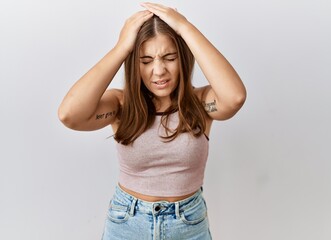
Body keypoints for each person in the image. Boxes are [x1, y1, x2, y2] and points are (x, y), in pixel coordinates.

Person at [58, 2, 246, 240]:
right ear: (134, 63)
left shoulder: (201, 103)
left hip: (188, 225)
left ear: (183, 59)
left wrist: (186, 29)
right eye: (146, 61)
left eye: (169, 57)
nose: (158, 71)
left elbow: (235, 97)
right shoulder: (120, 105)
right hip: (126, 223)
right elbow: (69, 115)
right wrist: (121, 48)